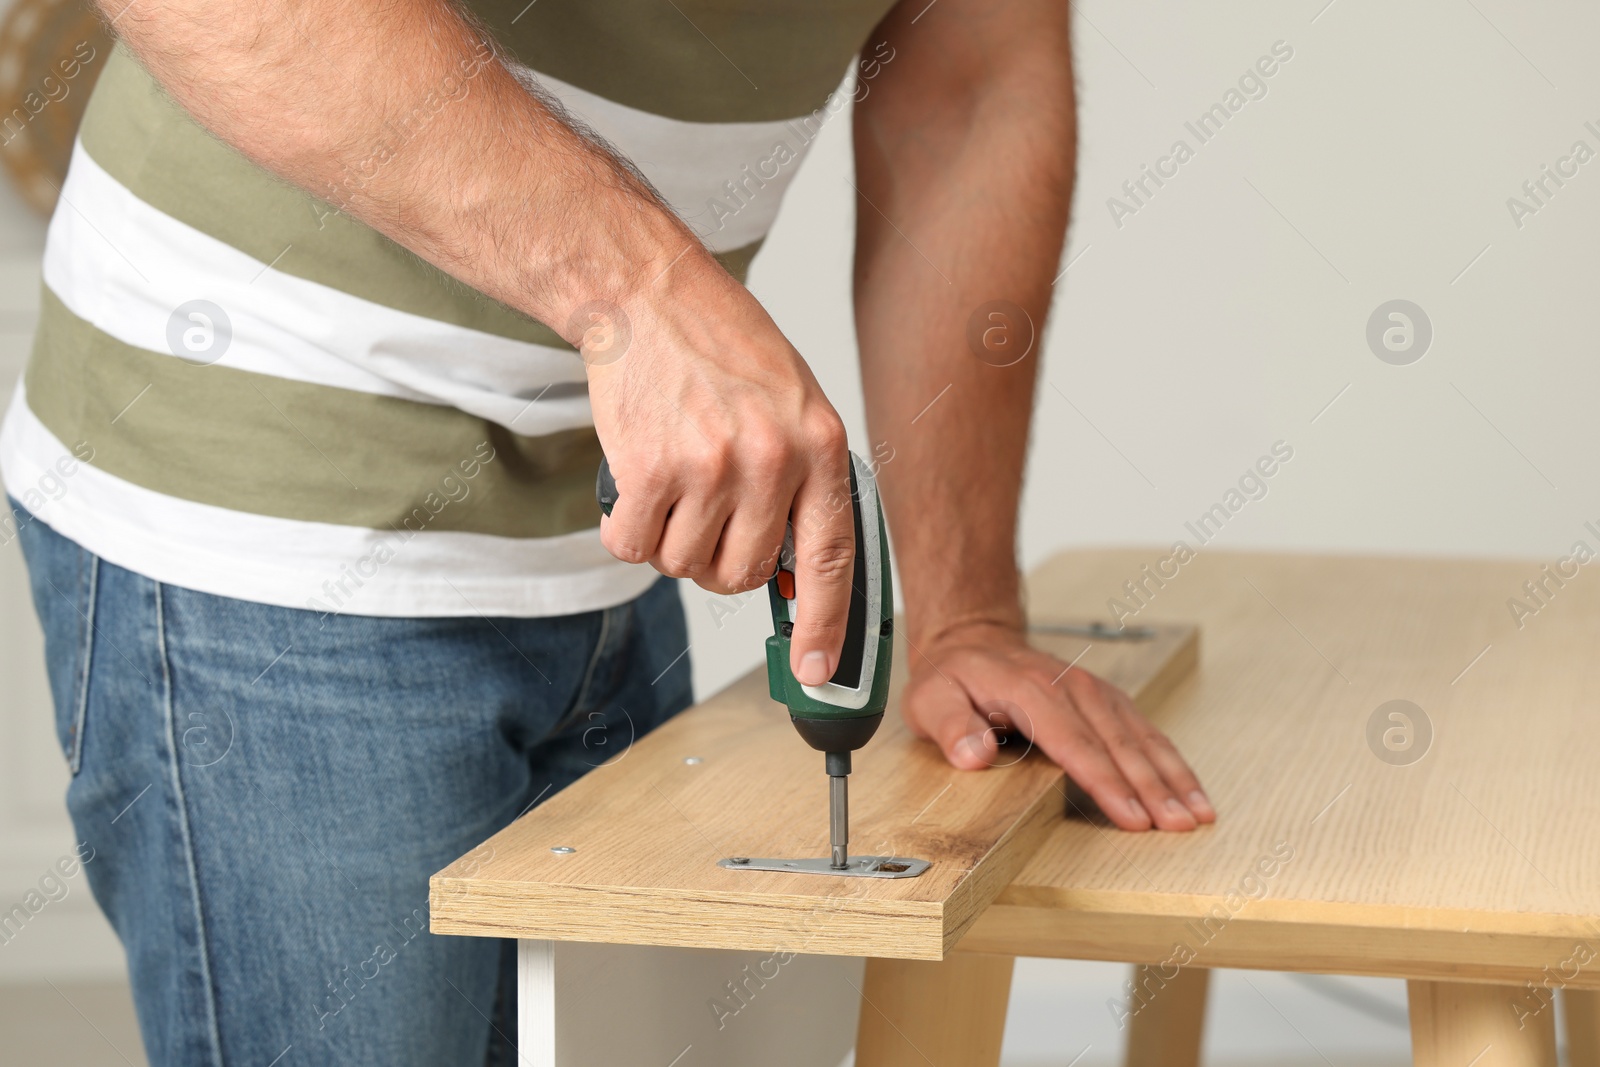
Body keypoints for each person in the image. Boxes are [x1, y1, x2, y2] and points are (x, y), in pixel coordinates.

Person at [0, 0, 1215, 1062]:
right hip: (265, 512)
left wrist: (964, 610)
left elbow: (969, 85)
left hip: (603, 522)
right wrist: (636, 291)